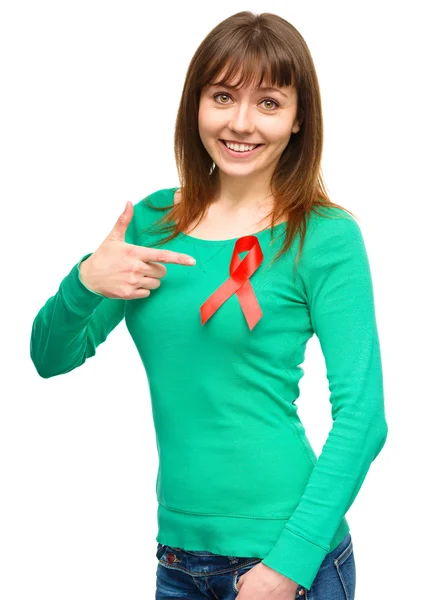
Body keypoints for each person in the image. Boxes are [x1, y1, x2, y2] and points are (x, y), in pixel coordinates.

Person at [30, 10, 388, 600]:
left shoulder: (324, 237)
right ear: (195, 105)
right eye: (223, 96)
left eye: (269, 102)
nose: (241, 123)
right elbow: (49, 357)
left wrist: (289, 563)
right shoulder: (151, 222)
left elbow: (364, 418)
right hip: (178, 557)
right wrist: (85, 281)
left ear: (299, 119)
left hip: (286, 555)